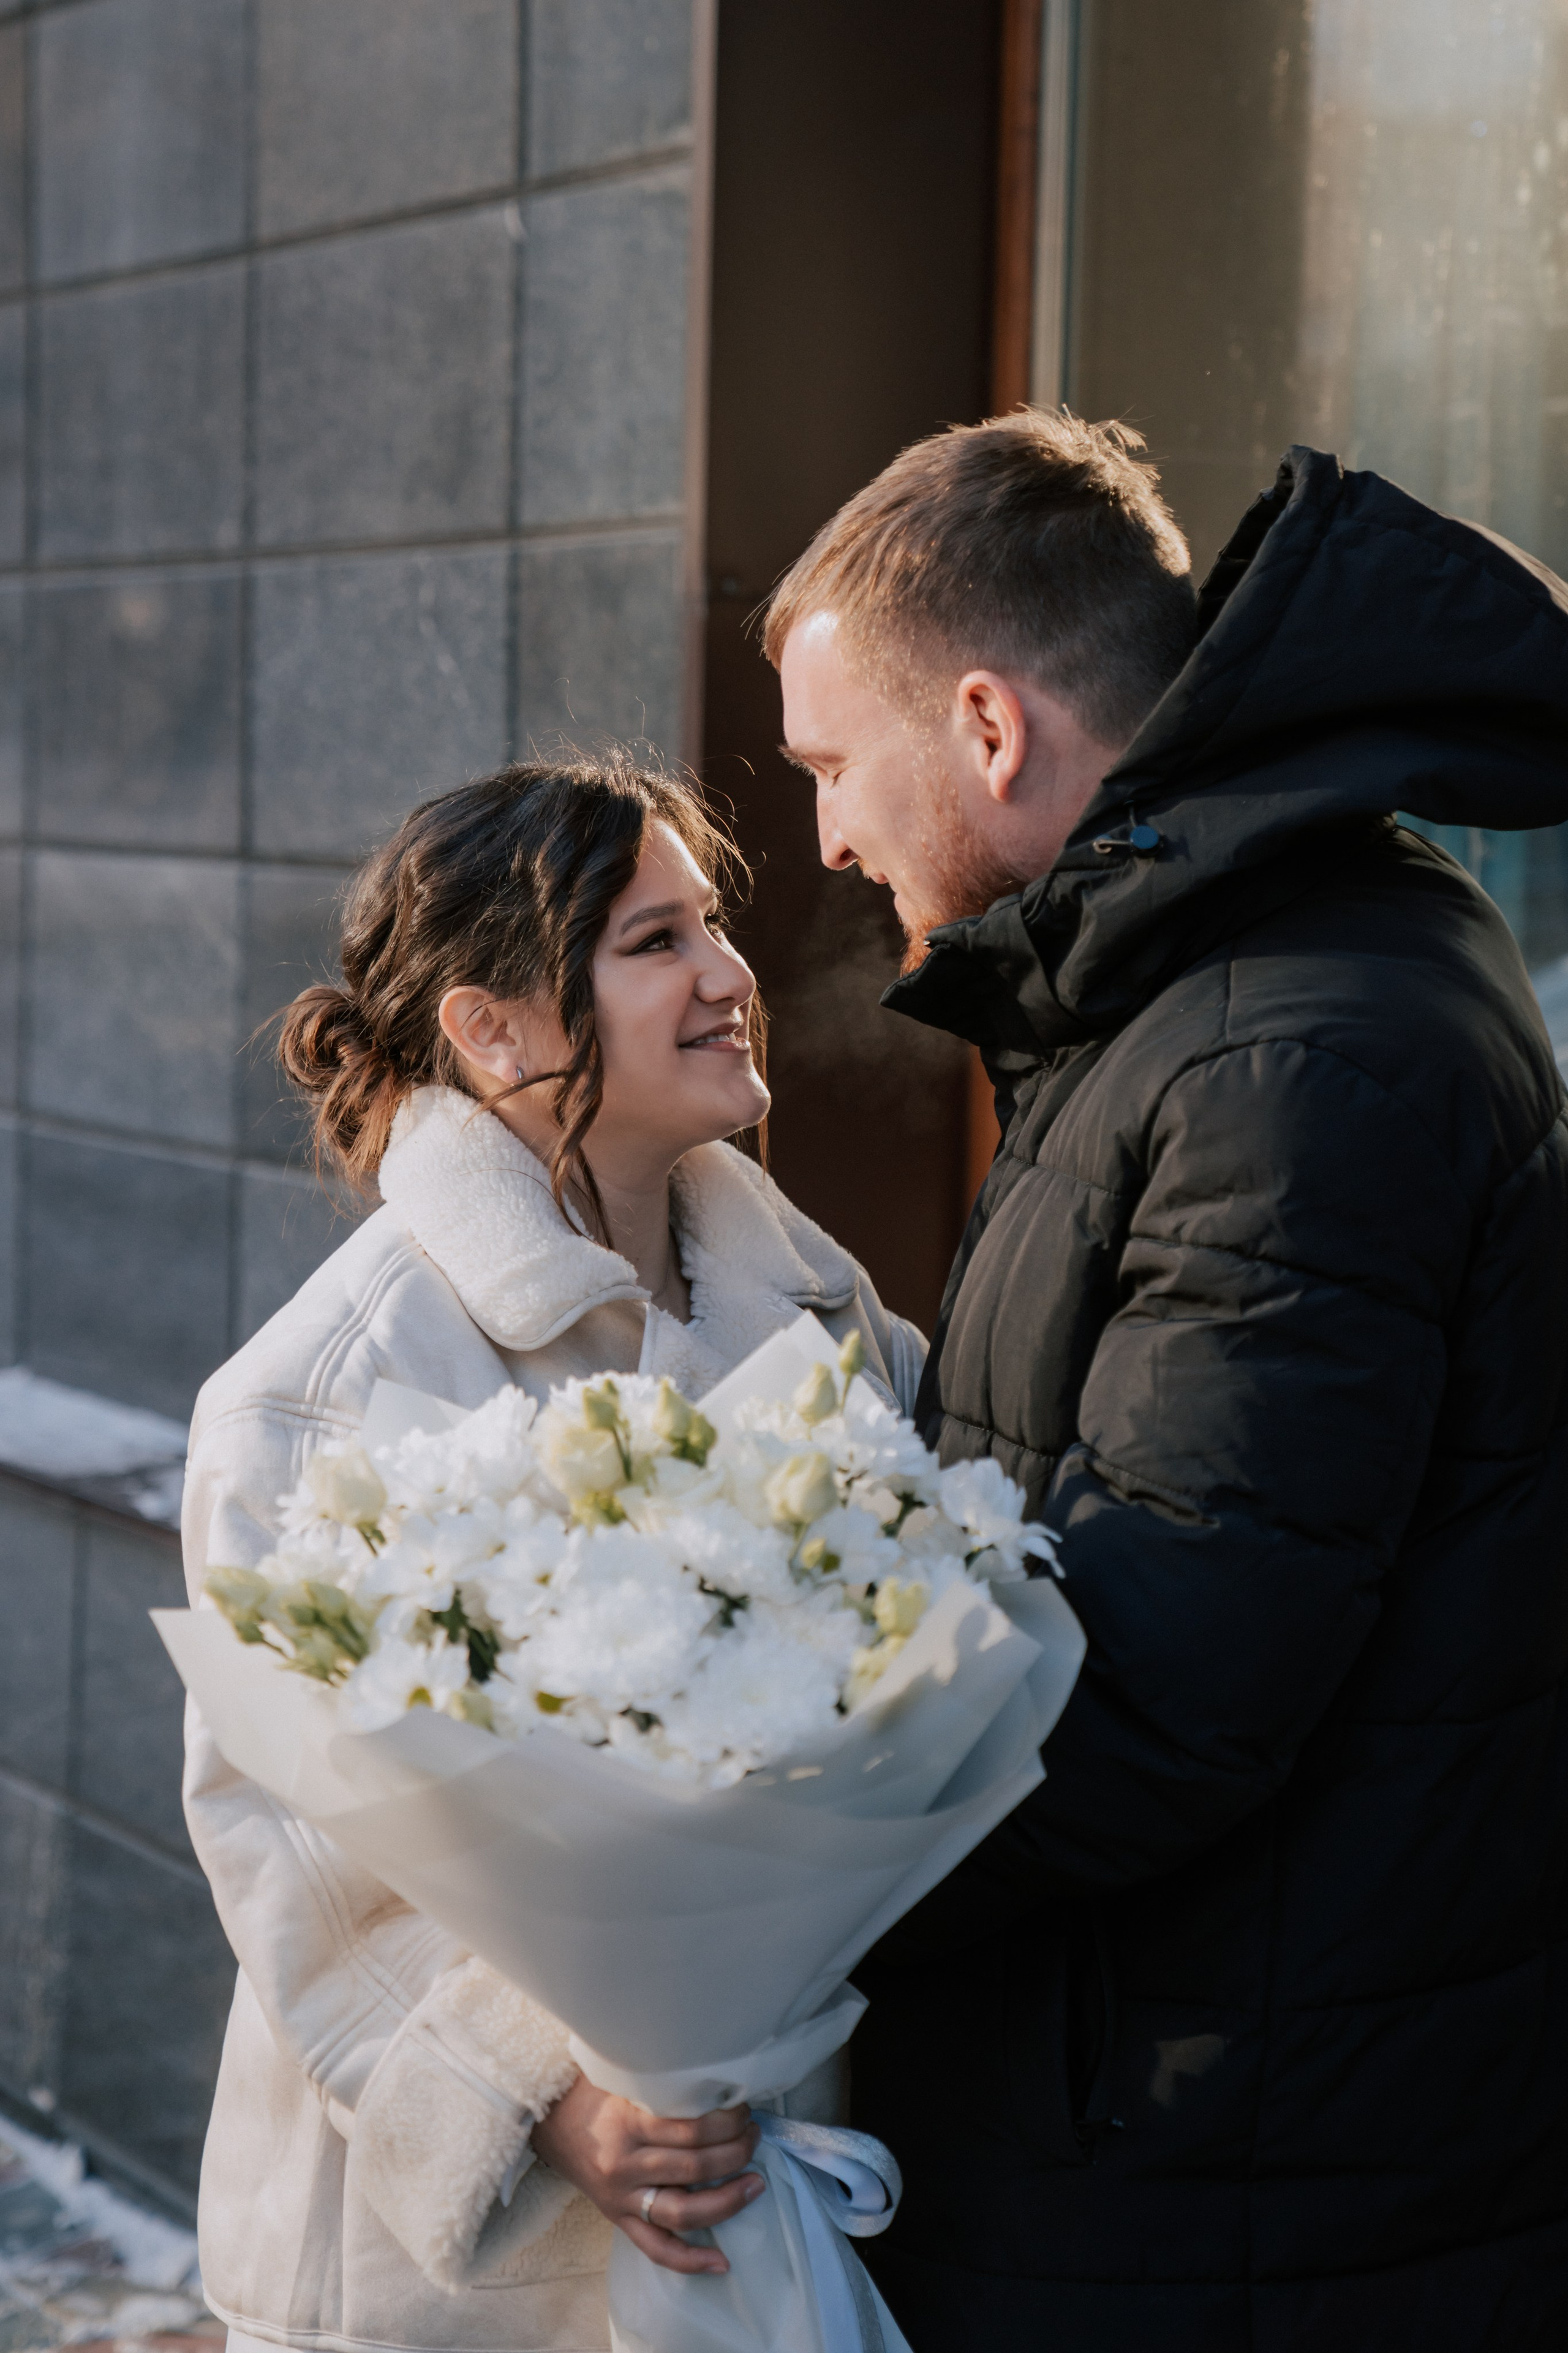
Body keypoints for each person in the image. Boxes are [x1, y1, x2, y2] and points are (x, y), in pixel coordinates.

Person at [769, 411, 1568, 2351]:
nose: (828, 839)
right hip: (1197, 2114)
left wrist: (740, 1883)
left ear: (986, 726)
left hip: (1231, 2182)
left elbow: (1156, 1682)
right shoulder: (1207, 982)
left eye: (831, 767)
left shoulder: (1289, 1048)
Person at [179, 757, 924, 2353]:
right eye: (655, 942)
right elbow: (291, 1833)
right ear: (494, 1028)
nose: (729, 974)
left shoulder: (822, 1313)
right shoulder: (328, 1384)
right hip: (449, 2280)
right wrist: (542, 2096)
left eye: (712, 923)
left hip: (754, 2193)